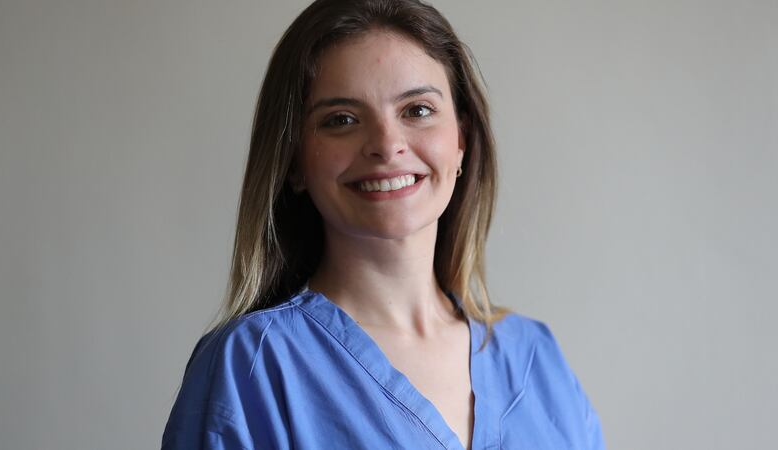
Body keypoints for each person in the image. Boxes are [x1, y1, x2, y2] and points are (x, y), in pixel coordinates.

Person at [162, 0, 605, 448]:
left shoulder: (537, 358)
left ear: (462, 139)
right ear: (293, 161)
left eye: (417, 110)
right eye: (342, 120)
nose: (387, 145)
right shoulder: (252, 366)